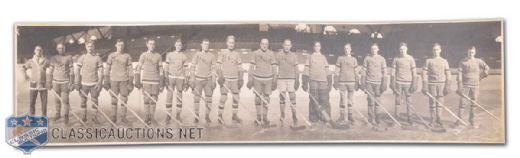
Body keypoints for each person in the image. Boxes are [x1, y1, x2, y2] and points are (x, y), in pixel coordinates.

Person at [455, 46, 490, 129]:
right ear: (467, 52)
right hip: (465, 85)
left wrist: (482, 75)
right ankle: (459, 120)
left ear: (475, 52)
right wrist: (459, 85)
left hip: (475, 85)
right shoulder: (463, 61)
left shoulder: (479, 61)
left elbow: (487, 68)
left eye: (472, 52)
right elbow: (459, 74)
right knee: (462, 104)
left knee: (474, 104)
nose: (471, 54)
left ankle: (472, 120)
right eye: (469, 52)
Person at [247, 38, 277, 127]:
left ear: (268, 45)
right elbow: (251, 67)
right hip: (257, 79)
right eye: (263, 44)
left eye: (266, 44)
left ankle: (265, 116)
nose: (264, 45)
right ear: (260, 44)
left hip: (268, 79)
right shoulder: (255, 53)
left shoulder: (271, 54)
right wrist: (250, 79)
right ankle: (258, 117)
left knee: (266, 98)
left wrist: (275, 79)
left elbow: (274, 67)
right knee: (257, 98)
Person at [104, 39, 134, 124]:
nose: (120, 47)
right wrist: (106, 81)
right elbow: (107, 68)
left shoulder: (127, 56)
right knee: (114, 99)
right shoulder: (111, 55)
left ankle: (123, 117)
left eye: (122, 45)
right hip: (114, 80)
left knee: (124, 99)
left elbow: (130, 69)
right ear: (116, 45)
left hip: (124, 80)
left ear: (124, 46)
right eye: (119, 45)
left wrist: (131, 82)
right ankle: (113, 116)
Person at [302, 41, 333, 123]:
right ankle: (314, 118)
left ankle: (326, 118)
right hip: (313, 81)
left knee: (324, 100)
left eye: (318, 46)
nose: (317, 47)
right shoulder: (310, 57)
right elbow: (306, 70)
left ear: (320, 47)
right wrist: (304, 82)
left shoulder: (323, 57)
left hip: (323, 82)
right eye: (315, 46)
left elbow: (327, 70)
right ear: (313, 47)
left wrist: (330, 82)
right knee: (313, 100)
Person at [135, 38, 164, 125]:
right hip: (146, 80)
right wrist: (137, 80)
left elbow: (161, 70)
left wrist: (161, 82)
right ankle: (147, 116)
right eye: (150, 44)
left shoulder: (158, 55)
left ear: (155, 45)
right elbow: (138, 68)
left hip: (155, 81)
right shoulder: (143, 55)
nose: (152, 45)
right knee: (146, 100)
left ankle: (152, 117)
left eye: (153, 44)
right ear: (147, 44)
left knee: (154, 100)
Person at [422, 43, 451, 128]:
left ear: (440, 50)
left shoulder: (444, 61)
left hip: (441, 84)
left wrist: (447, 85)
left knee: (440, 103)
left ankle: (439, 119)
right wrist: (424, 85)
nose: (436, 51)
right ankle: (432, 119)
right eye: (434, 50)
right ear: (432, 51)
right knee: (432, 103)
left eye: (437, 49)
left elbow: (448, 74)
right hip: (431, 84)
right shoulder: (428, 61)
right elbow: (424, 73)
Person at [217, 35, 244, 126]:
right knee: (223, 98)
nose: (231, 44)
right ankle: (220, 116)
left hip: (235, 79)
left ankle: (234, 115)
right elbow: (218, 66)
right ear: (227, 43)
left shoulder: (237, 54)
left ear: (234, 43)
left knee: (236, 98)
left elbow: (240, 67)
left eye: (233, 43)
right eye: (230, 42)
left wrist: (241, 79)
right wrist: (220, 76)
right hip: (225, 79)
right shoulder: (222, 53)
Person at [190, 38, 217, 125]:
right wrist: (192, 79)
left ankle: (207, 116)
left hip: (208, 80)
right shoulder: (197, 54)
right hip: (198, 80)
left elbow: (214, 69)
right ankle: (196, 116)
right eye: (204, 44)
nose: (206, 46)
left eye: (207, 44)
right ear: (201, 45)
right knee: (196, 99)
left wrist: (213, 80)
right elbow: (192, 67)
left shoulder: (212, 55)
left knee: (209, 99)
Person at [75, 40, 103, 124]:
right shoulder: (82, 57)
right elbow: (77, 70)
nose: (90, 48)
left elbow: (101, 71)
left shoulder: (97, 58)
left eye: (91, 46)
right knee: (83, 101)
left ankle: (94, 117)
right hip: (84, 84)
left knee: (95, 100)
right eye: (88, 46)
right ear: (86, 47)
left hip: (94, 83)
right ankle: (83, 117)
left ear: (94, 47)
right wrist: (77, 82)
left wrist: (100, 82)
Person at [389, 42, 417, 125]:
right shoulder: (396, 59)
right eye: (401, 49)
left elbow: (414, 72)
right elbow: (393, 72)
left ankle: (409, 118)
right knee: (397, 101)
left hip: (408, 83)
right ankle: (396, 118)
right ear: (399, 50)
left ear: (407, 49)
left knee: (409, 101)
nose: (402, 51)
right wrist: (392, 83)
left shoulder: (410, 58)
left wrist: (414, 83)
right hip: (398, 82)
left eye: (404, 49)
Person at [361, 43, 387, 126]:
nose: (373, 50)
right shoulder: (367, 58)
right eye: (372, 49)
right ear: (370, 50)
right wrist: (363, 82)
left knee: (377, 102)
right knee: (370, 101)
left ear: (378, 49)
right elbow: (363, 71)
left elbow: (385, 72)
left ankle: (378, 118)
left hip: (378, 83)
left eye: (375, 48)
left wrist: (384, 83)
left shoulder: (382, 59)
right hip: (369, 82)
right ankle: (371, 118)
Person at [275, 39, 300, 126]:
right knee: (282, 98)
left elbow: (296, 69)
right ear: (283, 45)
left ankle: (294, 115)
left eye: (288, 45)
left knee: (293, 97)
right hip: (281, 79)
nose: (287, 46)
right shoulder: (278, 55)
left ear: (291, 46)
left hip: (291, 79)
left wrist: (297, 80)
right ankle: (282, 114)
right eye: (285, 45)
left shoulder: (294, 55)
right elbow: (275, 68)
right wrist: (275, 79)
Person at [164, 39, 189, 125]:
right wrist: (166, 77)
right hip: (171, 77)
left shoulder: (184, 56)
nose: (178, 46)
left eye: (180, 45)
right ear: (175, 45)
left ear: (181, 46)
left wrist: (186, 80)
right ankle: (168, 115)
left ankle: (178, 115)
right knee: (169, 96)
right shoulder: (169, 55)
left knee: (179, 96)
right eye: (177, 45)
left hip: (180, 78)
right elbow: (166, 67)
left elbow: (186, 69)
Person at [48, 43, 74, 124]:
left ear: (65, 49)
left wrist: (71, 82)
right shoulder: (53, 58)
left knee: (65, 100)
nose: (61, 50)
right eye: (59, 48)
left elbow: (72, 71)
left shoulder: (69, 57)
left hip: (65, 82)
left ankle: (66, 116)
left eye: (62, 48)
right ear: (57, 49)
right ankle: (58, 114)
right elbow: (50, 71)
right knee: (57, 100)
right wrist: (49, 81)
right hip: (55, 82)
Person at [333, 43, 359, 124]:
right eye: (345, 48)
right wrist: (335, 81)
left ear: (351, 49)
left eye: (348, 48)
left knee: (350, 100)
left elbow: (356, 72)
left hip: (351, 82)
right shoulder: (340, 58)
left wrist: (357, 81)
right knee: (342, 100)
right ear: (344, 50)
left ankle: (350, 115)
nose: (346, 50)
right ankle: (342, 115)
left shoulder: (354, 59)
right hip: (342, 82)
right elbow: (336, 71)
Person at [22, 45, 50, 117]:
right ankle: (32, 116)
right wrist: (26, 76)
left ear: (42, 51)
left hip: (43, 83)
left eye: (40, 50)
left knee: (44, 102)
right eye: (37, 50)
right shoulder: (31, 61)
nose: (38, 51)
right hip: (33, 84)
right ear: (34, 51)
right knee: (32, 101)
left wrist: (49, 80)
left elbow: (50, 69)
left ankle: (44, 116)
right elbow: (23, 68)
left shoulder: (46, 60)